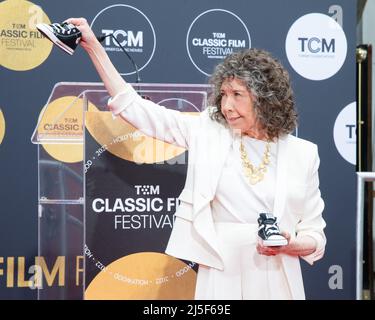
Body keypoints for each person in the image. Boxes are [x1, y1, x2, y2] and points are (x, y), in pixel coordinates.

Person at [39, 18, 326, 300]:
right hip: (220, 274)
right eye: (223, 94)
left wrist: (291, 244)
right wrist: (94, 49)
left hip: (278, 278)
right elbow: (135, 109)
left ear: (267, 98)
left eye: (238, 95)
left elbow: (315, 236)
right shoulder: (207, 130)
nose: (227, 105)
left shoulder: (303, 154)